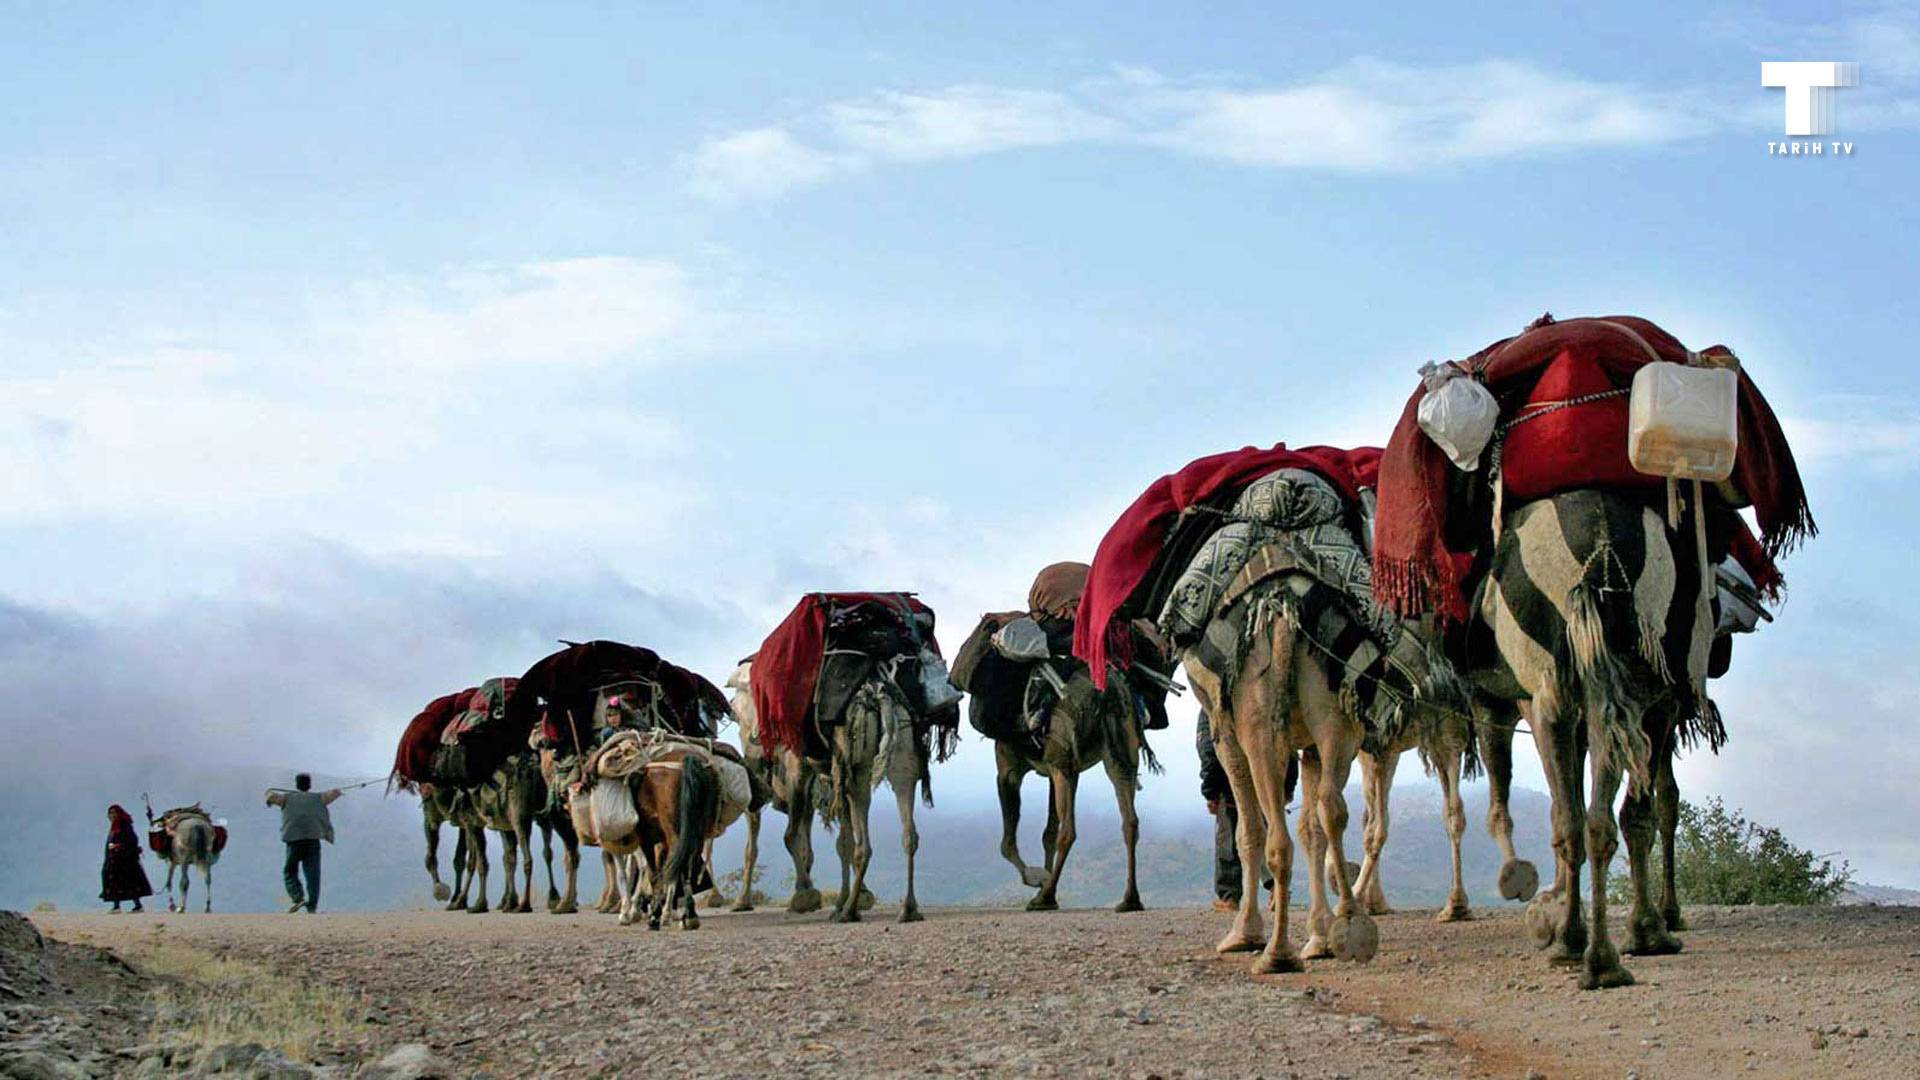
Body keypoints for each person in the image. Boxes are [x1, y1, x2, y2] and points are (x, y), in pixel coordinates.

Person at [265, 774, 341, 913]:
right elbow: (333, 794)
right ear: (309, 785)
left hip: (293, 840)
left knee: (290, 870)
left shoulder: (286, 798)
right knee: (313, 873)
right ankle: (312, 906)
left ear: (296, 784)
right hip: (313, 840)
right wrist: (338, 791)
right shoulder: (319, 798)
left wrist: (268, 793)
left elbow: (271, 796)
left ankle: (297, 898)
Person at [1195, 710, 1242, 911]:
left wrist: (1211, 791)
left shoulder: (1210, 707)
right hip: (1264, 781)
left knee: (1228, 840)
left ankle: (1229, 896)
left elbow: (1207, 747)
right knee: (1265, 829)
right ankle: (1276, 888)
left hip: (1229, 783)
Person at [100, 804, 153, 913]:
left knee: (129, 882)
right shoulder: (115, 827)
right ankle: (117, 906)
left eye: (114, 813)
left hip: (125, 861)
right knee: (115, 882)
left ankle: (137, 906)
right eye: (110, 813)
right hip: (114, 860)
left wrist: (118, 846)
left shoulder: (125, 825)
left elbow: (133, 840)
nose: (112, 815)